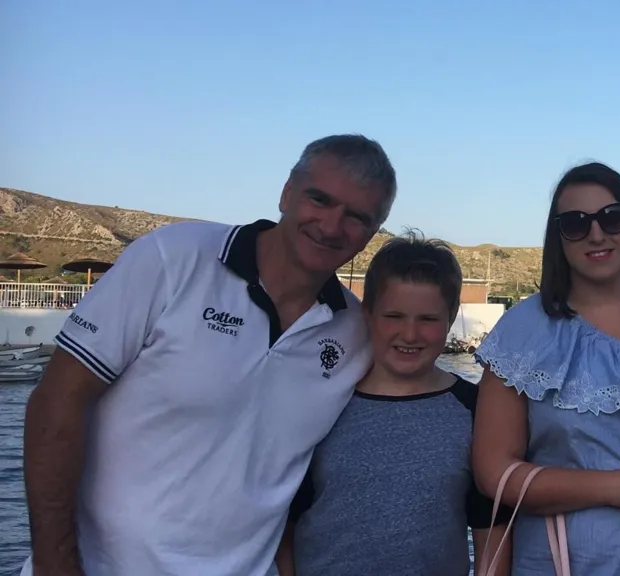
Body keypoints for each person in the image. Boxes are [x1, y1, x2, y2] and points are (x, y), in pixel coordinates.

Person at [20, 134, 396, 576]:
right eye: (320, 199)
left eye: (356, 217)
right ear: (287, 192)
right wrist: (55, 563)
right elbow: (57, 402)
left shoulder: (355, 334)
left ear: (370, 235)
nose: (332, 226)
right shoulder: (173, 260)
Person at [472, 162, 620, 575]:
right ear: (557, 238)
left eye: (613, 217)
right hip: (559, 559)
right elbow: (494, 473)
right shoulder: (523, 329)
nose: (597, 234)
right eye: (576, 224)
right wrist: (619, 488)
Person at [275, 231, 514, 576]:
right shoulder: (324, 399)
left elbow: (491, 533)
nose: (410, 334)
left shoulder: (476, 410)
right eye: (394, 316)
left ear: (451, 316)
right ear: (368, 313)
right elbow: (284, 521)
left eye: (428, 319)